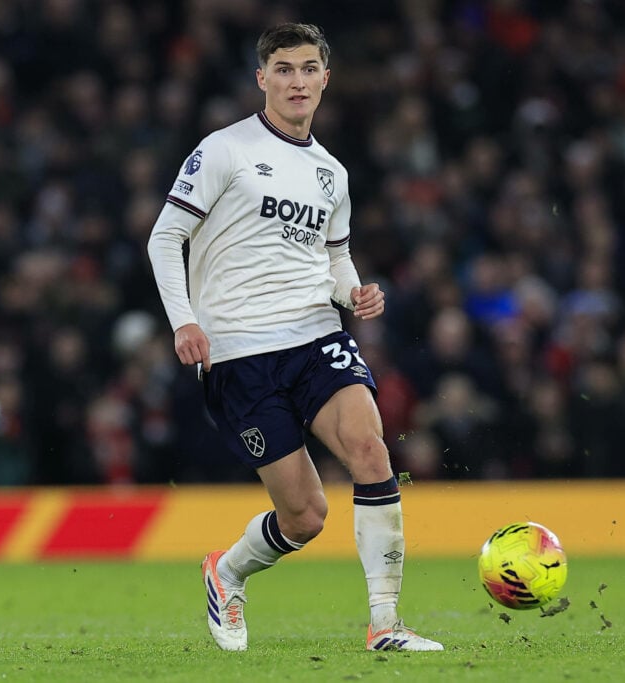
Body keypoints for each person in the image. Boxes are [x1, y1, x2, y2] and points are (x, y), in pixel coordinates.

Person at [147, 23, 443, 653]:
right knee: (306, 516)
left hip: (315, 335)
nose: (297, 81)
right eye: (284, 69)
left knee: (369, 447)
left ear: (325, 78)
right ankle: (226, 573)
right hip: (238, 352)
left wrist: (355, 292)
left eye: (309, 69)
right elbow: (164, 237)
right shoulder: (224, 150)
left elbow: (332, 258)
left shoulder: (331, 174)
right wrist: (184, 321)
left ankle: (386, 624)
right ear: (262, 78)